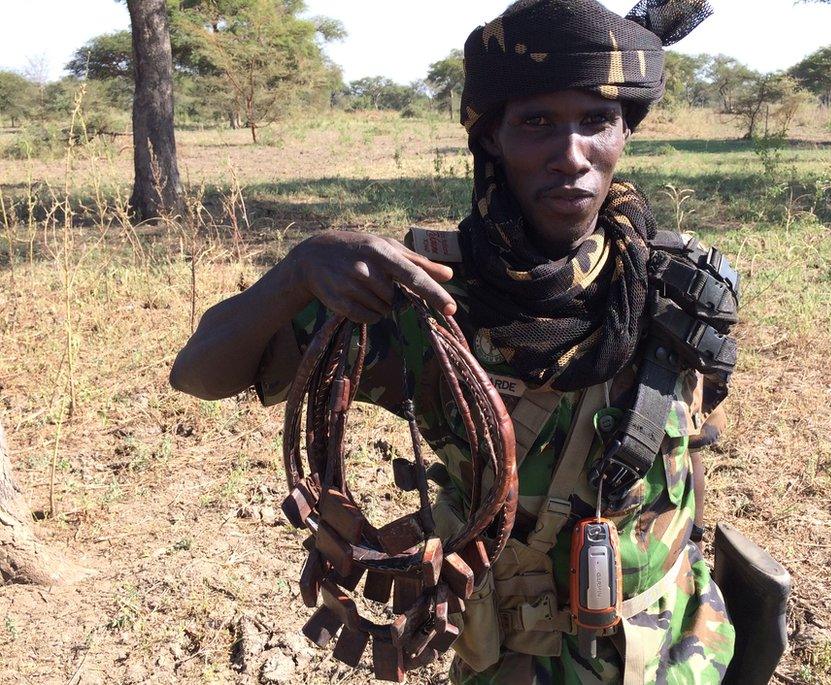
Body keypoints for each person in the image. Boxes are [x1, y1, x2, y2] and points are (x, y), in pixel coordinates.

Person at [171, 0, 739, 682]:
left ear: (625, 131)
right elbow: (199, 373)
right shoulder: (424, 299)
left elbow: (689, 452)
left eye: (597, 122)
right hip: (514, 663)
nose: (571, 156)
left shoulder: (675, 282)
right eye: (537, 124)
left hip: (679, 651)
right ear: (492, 137)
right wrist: (298, 270)